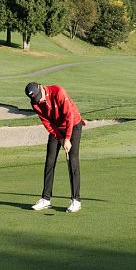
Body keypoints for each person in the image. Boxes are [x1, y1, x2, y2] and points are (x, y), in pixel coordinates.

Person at [25, 81, 85, 212]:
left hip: (73, 125)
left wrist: (67, 139)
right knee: (50, 161)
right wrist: (60, 137)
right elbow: (46, 122)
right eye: (35, 98)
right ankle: (46, 199)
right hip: (56, 128)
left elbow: (69, 116)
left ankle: (76, 200)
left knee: (72, 161)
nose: (38, 100)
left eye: (39, 96)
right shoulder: (35, 102)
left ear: (41, 88)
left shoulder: (58, 92)